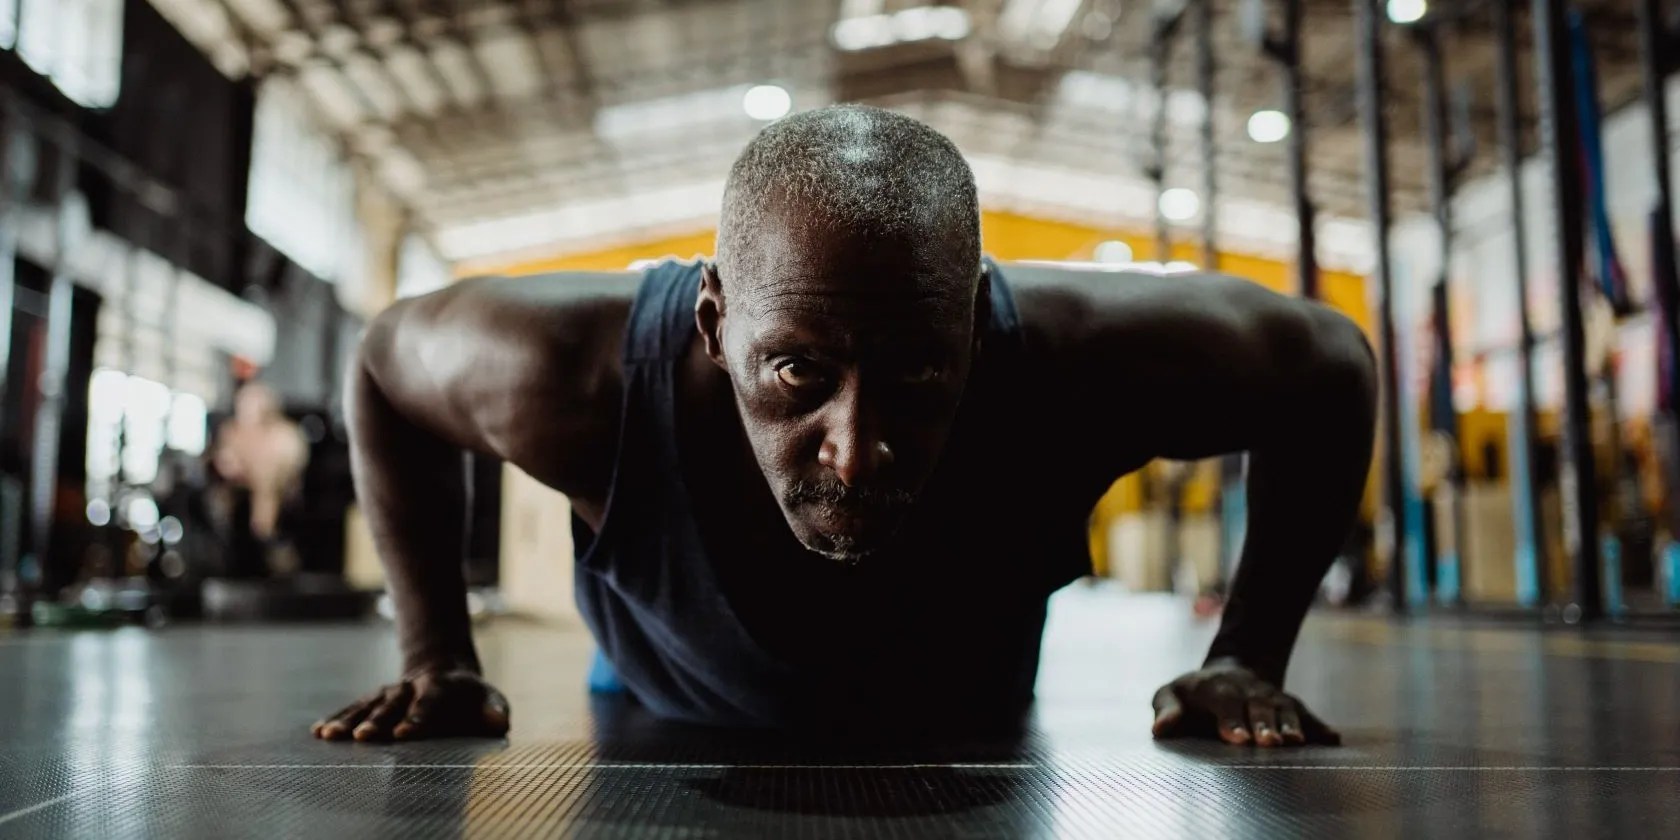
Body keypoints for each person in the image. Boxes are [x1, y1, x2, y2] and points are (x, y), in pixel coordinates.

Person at [311, 105, 1375, 748]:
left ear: (970, 323)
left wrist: (1247, 657)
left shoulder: (1071, 363)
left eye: (918, 372)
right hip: (662, 712)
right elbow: (381, 362)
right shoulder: (576, 375)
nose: (857, 447)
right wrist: (435, 652)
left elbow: (1332, 363)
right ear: (716, 323)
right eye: (796, 372)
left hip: (968, 729)